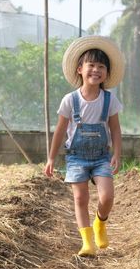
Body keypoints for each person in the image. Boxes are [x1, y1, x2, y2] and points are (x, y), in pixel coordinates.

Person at [45, 36, 125, 257]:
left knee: (107, 196)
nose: (96, 70)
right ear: (80, 69)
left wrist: (117, 154)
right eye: (91, 65)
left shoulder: (109, 100)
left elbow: (116, 129)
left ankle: (100, 223)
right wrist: (51, 158)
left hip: (101, 156)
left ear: (106, 73)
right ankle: (87, 241)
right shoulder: (70, 100)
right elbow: (60, 130)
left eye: (101, 67)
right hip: (76, 157)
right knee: (80, 198)